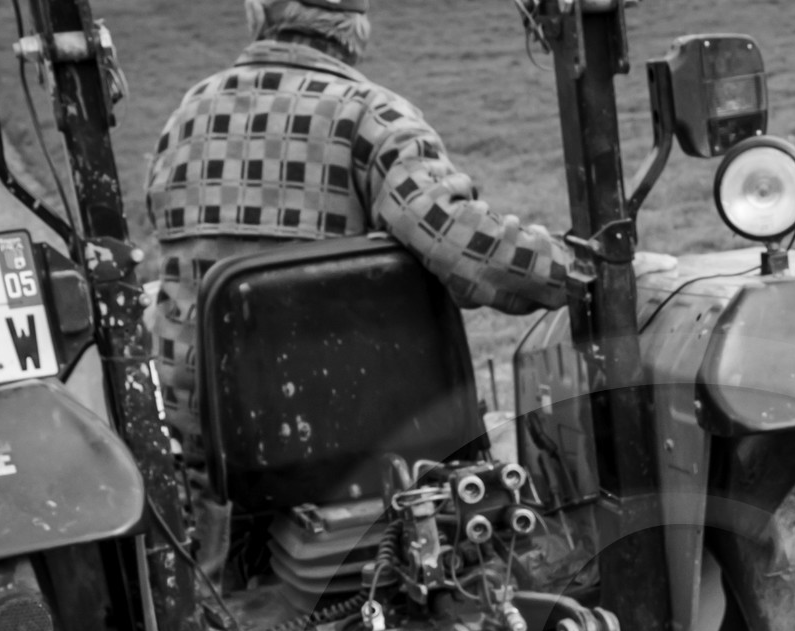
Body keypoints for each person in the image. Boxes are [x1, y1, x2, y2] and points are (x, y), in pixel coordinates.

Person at [144, 0, 576, 577]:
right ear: (357, 29)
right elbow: (463, 244)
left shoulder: (187, 116)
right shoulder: (370, 118)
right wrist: (576, 270)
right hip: (347, 453)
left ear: (256, 13)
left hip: (213, 457)